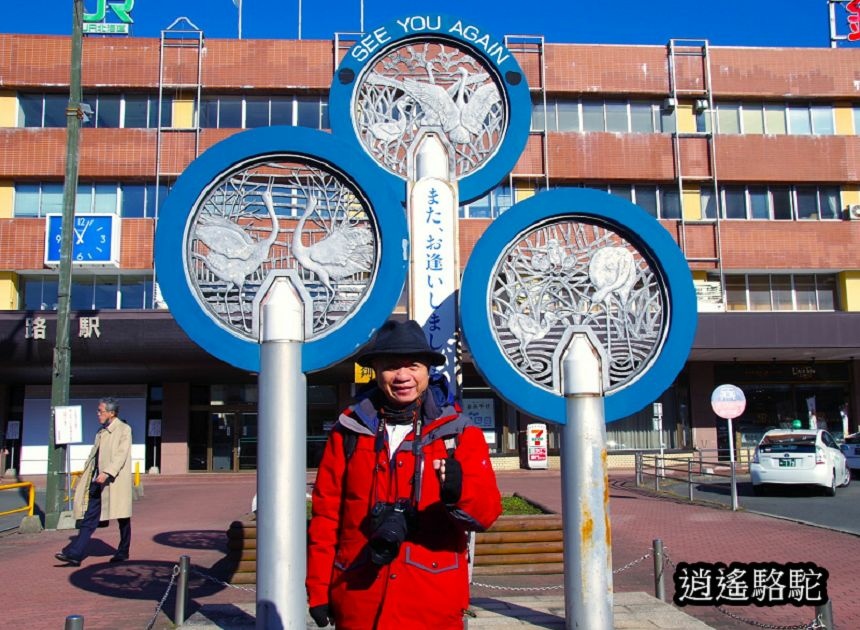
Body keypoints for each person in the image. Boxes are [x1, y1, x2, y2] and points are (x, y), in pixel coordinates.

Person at [306, 319, 502, 629]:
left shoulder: (460, 433)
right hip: (359, 597)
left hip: (431, 603)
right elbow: (326, 516)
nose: (403, 376)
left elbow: (487, 514)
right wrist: (318, 590)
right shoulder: (348, 432)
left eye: (412, 365)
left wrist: (457, 493)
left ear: (427, 371)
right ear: (376, 371)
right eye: (391, 366)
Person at [55, 397, 133, 567]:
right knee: (89, 519)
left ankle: (123, 550)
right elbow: (94, 455)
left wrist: (107, 472)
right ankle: (75, 554)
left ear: (111, 413)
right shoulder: (101, 431)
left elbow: (121, 454)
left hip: (114, 481)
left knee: (123, 518)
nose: (98, 414)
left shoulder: (124, 429)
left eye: (101, 411)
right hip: (98, 482)